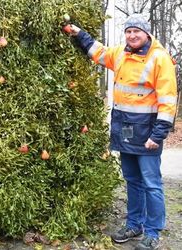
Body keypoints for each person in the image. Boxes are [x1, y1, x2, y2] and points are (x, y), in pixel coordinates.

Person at [65, 13, 177, 250]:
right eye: (128, 31)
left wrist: (157, 135)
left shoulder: (159, 58)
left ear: (147, 33)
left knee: (151, 182)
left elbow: (168, 101)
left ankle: (153, 232)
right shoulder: (121, 54)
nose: (132, 35)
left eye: (137, 31)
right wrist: (78, 33)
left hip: (147, 133)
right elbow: (98, 51)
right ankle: (134, 224)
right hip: (126, 129)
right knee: (132, 181)